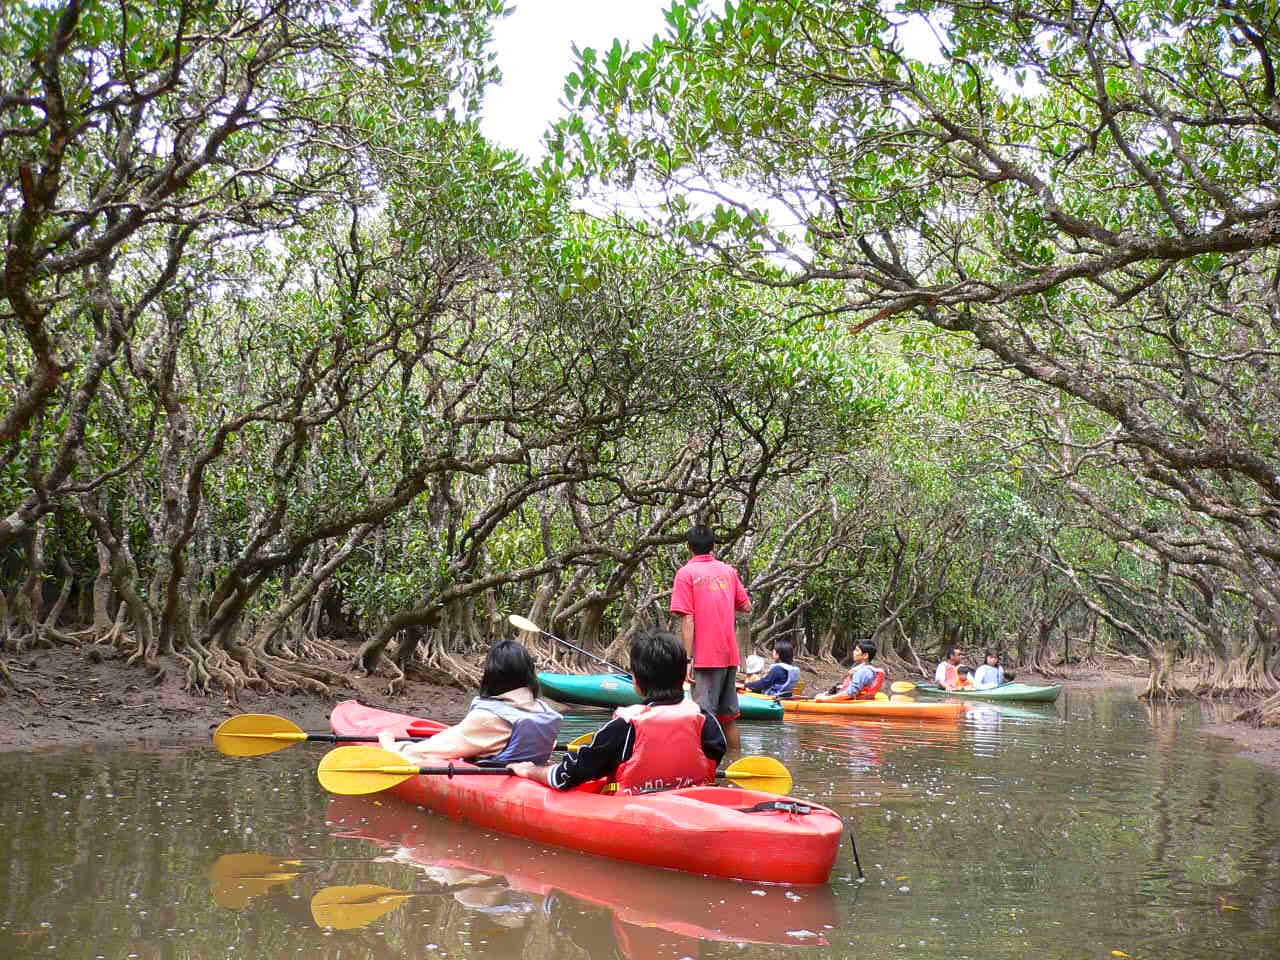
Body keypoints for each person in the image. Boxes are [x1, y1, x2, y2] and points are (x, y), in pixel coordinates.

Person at [507, 629, 727, 794]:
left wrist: (530, 771)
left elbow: (565, 777)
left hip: (636, 813)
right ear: (684, 676)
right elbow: (717, 753)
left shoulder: (624, 726)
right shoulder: (705, 719)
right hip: (696, 804)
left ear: (637, 682)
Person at [378, 639, 562, 765]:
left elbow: (426, 752)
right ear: (529, 673)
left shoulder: (488, 718)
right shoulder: (545, 711)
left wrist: (390, 745)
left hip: (495, 782)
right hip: (529, 776)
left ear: (492, 674)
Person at [669, 525, 752, 750]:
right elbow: (746, 606)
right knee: (729, 719)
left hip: (705, 658)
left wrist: (687, 660)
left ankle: (705, 775)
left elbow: (688, 619)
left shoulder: (686, 574)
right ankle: (736, 763)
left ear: (689, 547)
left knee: (703, 719)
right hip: (729, 655)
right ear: (713, 546)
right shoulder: (728, 571)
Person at [815, 640, 884, 701]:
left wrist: (825, 699)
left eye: (857, 650)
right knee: (820, 695)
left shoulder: (863, 671)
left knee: (819, 697)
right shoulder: (865, 669)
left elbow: (850, 693)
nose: (853, 652)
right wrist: (827, 694)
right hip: (858, 701)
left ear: (865, 655)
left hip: (855, 703)